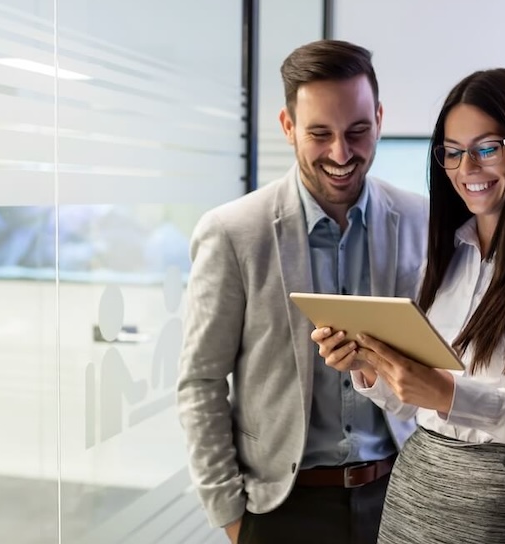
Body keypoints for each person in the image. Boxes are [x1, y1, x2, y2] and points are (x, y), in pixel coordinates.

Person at [313, 68, 505, 544]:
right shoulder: (447, 251)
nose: (466, 168)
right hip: (414, 489)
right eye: (452, 152)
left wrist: (450, 395)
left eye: (486, 148)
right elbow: (411, 398)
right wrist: (370, 367)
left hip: (500, 503)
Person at [176, 39, 429, 544]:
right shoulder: (233, 232)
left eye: (358, 131)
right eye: (320, 134)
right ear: (288, 127)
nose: (341, 154)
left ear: (379, 117)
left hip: (402, 495)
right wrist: (230, 515)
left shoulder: (423, 221)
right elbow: (200, 382)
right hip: (281, 509)